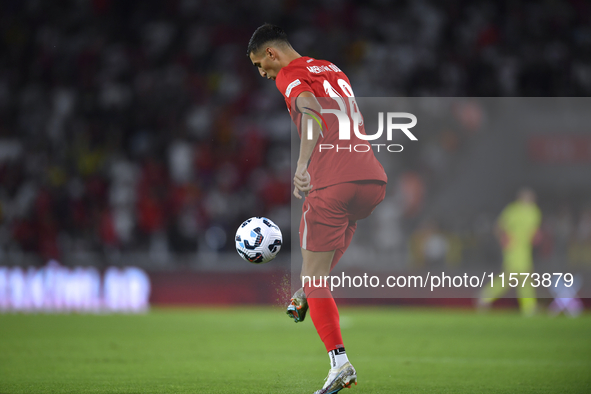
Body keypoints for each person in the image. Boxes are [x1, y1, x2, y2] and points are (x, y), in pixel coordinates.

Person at [247, 24, 387, 394]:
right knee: (323, 262)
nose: (263, 74)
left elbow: (311, 113)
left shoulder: (290, 75)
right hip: (371, 179)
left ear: (272, 54)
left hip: (332, 181)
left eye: (261, 65)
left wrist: (302, 164)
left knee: (314, 277)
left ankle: (339, 363)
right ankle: (306, 294)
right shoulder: (331, 68)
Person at [479, 188, 542, 316]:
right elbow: (498, 227)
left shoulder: (535, 212)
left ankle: (486, 296)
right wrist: (503, 238)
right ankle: (486, 296)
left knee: (521, 277)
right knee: (513, 276)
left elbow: (534, 232)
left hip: (525, 250)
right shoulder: (513, 210)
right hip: (512, 249)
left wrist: (536, 237)